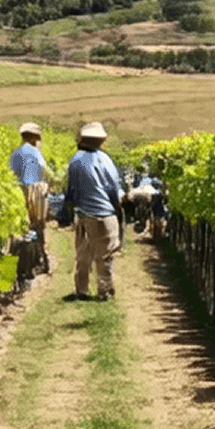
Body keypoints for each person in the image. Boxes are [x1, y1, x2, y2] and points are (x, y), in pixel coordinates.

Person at [65, 121, 123, 301]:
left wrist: (69, 212)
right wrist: (117, 209)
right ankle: (104, 291)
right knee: (105, 257)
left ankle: (81, 290)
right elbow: (113, 188)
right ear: (100, 141)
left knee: (83, 255)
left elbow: (71, 190)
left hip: (83, 215)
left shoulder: (75, 160)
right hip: (104, 214)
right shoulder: (105, 159)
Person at [9, 121, 50, 234]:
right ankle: (39, 240)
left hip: (21, 189)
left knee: (27, 220)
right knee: (38, 221)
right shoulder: (35, 152)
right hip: (35, 189)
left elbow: (12, 172)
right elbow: (45, 170)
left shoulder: (16, 153)